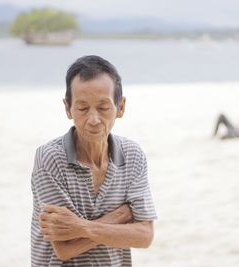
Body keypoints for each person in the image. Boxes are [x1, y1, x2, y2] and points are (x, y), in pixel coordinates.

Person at [30, 55, 157, 266]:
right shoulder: (49, 158)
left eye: (103, 108)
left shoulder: (133, 155)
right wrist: (119, 217)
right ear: (67, 108)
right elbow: (64, 247)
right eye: (82, 108)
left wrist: (80, 227)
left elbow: (144, 236)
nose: (94, 119)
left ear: (121, 107)